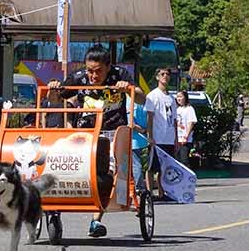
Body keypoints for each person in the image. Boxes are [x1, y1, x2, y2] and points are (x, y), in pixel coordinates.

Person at [48, 44, 145, 238]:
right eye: (90, 71)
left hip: (112, 132)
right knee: (68, 167)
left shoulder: (120, 74)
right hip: (86, 132)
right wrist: (53, 88)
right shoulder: (79, 77)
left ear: (108, 67)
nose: (93, 76)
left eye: (98, 71)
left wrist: (128, 89)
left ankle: (95, 220)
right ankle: (54, 208)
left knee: (104, 171)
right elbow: (55, 100)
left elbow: (141, 98)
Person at [145, 68, 177, 196]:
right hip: (157, 138)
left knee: (166, 168)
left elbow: (174, 120)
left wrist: (176, 138)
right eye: (162, 74)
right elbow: (150, 117)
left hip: (169, 137)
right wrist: (150, 136)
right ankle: (149, 193)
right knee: (152, 167)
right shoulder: (152, 96)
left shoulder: (171, 98)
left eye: (167, 74)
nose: (165, 76)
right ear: (157, 77)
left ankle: (163, 193)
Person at [175, 90, 197, 165]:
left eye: (180, 96)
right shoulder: (177, 109)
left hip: (185, 140)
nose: (179, 98)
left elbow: (191, 122)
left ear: (185, 97)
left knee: (184, 160)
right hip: (177, 139)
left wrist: (186, 136)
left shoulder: (189, 109)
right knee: (177, 160)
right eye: (177, 97)